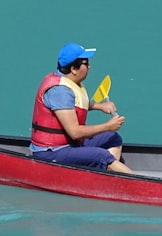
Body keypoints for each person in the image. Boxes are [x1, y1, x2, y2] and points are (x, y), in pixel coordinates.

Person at [30, 43, 133, 173]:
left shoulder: (70, 82)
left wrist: (99, 106)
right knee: (101, 156)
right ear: (73, 68)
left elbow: (74, 104)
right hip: (52, 152)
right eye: (86, 63)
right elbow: (75, 132)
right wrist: (108, 126)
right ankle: (141, 185)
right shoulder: (60, 91)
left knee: (113, 138)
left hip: (70, 144)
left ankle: (104, 176)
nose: (89, 66)